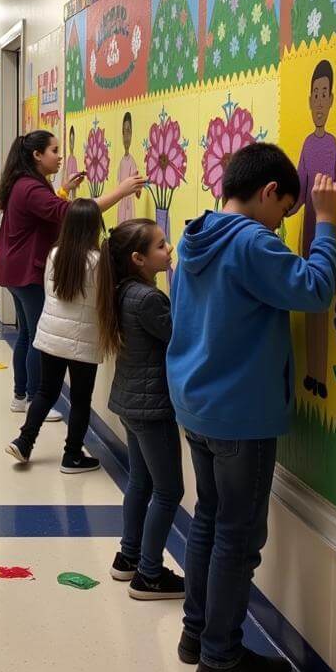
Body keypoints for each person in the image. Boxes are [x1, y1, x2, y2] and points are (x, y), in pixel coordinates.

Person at [168, 143, 336, 672]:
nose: (286, 225)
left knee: (210, 520)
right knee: (237, 540)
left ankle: (196, 635)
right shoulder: (251, 243)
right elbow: (313, 290)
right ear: (269, 192)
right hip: (240, 415)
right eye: (288, 211)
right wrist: (329, 225)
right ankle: (220, 657)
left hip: (197, 404)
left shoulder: (199, 231)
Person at [0, 131, 145, 415]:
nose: (60, 155)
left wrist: (63, 189)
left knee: (27, 333)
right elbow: (72, 214)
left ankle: (20, 395)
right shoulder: (30, 187)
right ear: (37, 155)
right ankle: (36, 400)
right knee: (39, 337)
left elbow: (49, 209)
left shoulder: (25, 183)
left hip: (15, 268)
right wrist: (121, 190)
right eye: (54, 150)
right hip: (27, 270)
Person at [97, 219, 185, 601]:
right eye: (162, 246)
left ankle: (128, 556)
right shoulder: (148, 299)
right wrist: (181, 282)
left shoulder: (122, 290)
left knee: (141, 482)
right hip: (151, 408)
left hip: (131, 401)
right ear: (138, 258)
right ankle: (149, 574)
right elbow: (182, 333)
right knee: (169, 491)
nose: (169, 251)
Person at [5, 198, 106, 472]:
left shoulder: (54, 254)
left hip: (51, 335)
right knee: (81, 400)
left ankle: (24, 441)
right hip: (83, 341)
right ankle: (72, 456)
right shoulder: (98, 262)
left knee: (46, 392)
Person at [290, 60, 336, 399]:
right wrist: (290, 208)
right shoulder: (308, 145)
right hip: (309, 232)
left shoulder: (333, 143)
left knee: (321, 308)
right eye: (315, 94)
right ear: (310, 101)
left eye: (324, 94)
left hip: (327, 232)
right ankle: (311, 373)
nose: (319, 101)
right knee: (309, 304)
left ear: (331, 100)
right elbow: (300, 185)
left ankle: (319, 375)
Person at [116, 112, 140, 222]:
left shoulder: (132, 161)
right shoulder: (121, 162)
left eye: (129, 132)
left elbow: (137, 190)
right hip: (121, 203)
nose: (126, 137)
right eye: (124, 132)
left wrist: (138, 189)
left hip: (129, 205)